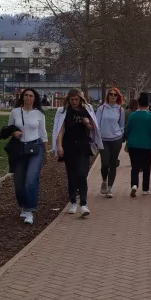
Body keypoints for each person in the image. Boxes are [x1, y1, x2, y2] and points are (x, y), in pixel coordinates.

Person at [52, 89, 102, 217]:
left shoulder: (87, 109)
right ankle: (73, 201)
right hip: (69, 146)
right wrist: (59, 146)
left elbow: (93, 127)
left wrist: (87, 122)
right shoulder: (63, 111)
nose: (74, 102)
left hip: (83, 145)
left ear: (80, 99)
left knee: (82, 174)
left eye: (76, 100)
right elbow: (60, 130)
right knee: (71, 175)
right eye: (72, 100)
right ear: (68, 100)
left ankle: (84, 204)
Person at [9, 88, 48, 225]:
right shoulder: (15, 112)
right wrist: (14, 133)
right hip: (20, 148)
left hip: (35, 148)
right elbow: (10, 128)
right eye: (26, 95)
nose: (28, 98)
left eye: (31, 96)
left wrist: (46, 151)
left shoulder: (39, 114)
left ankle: (30, 210)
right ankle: (23, 205)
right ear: (22, 97)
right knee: (19, 181)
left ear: (34, 98)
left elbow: (43, 133)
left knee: (31, 179)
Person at [126, 92, 151, 197]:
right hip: (146, 146)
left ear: (138, 104)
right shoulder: (150, 117)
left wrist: (128, 139)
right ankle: (145, 189)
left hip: (133, 145)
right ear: (148, 105)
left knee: (134, 167)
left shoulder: (133, 116)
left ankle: (134, 185)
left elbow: (127, 130)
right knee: (146, 167)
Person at [95, 87, 125, 198]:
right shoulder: (101, 109)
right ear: (108, 96)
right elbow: (97, 124)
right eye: (111, 94)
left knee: (113, 164)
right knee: (105, 163)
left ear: (118, 97)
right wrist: (97, 137)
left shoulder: (120, 109)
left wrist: (120, 133)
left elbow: (122, 124)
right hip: (103, 140)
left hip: (116, 140)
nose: (112, 96)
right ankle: (104, 180)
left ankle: (110, 188)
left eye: (115, 95)